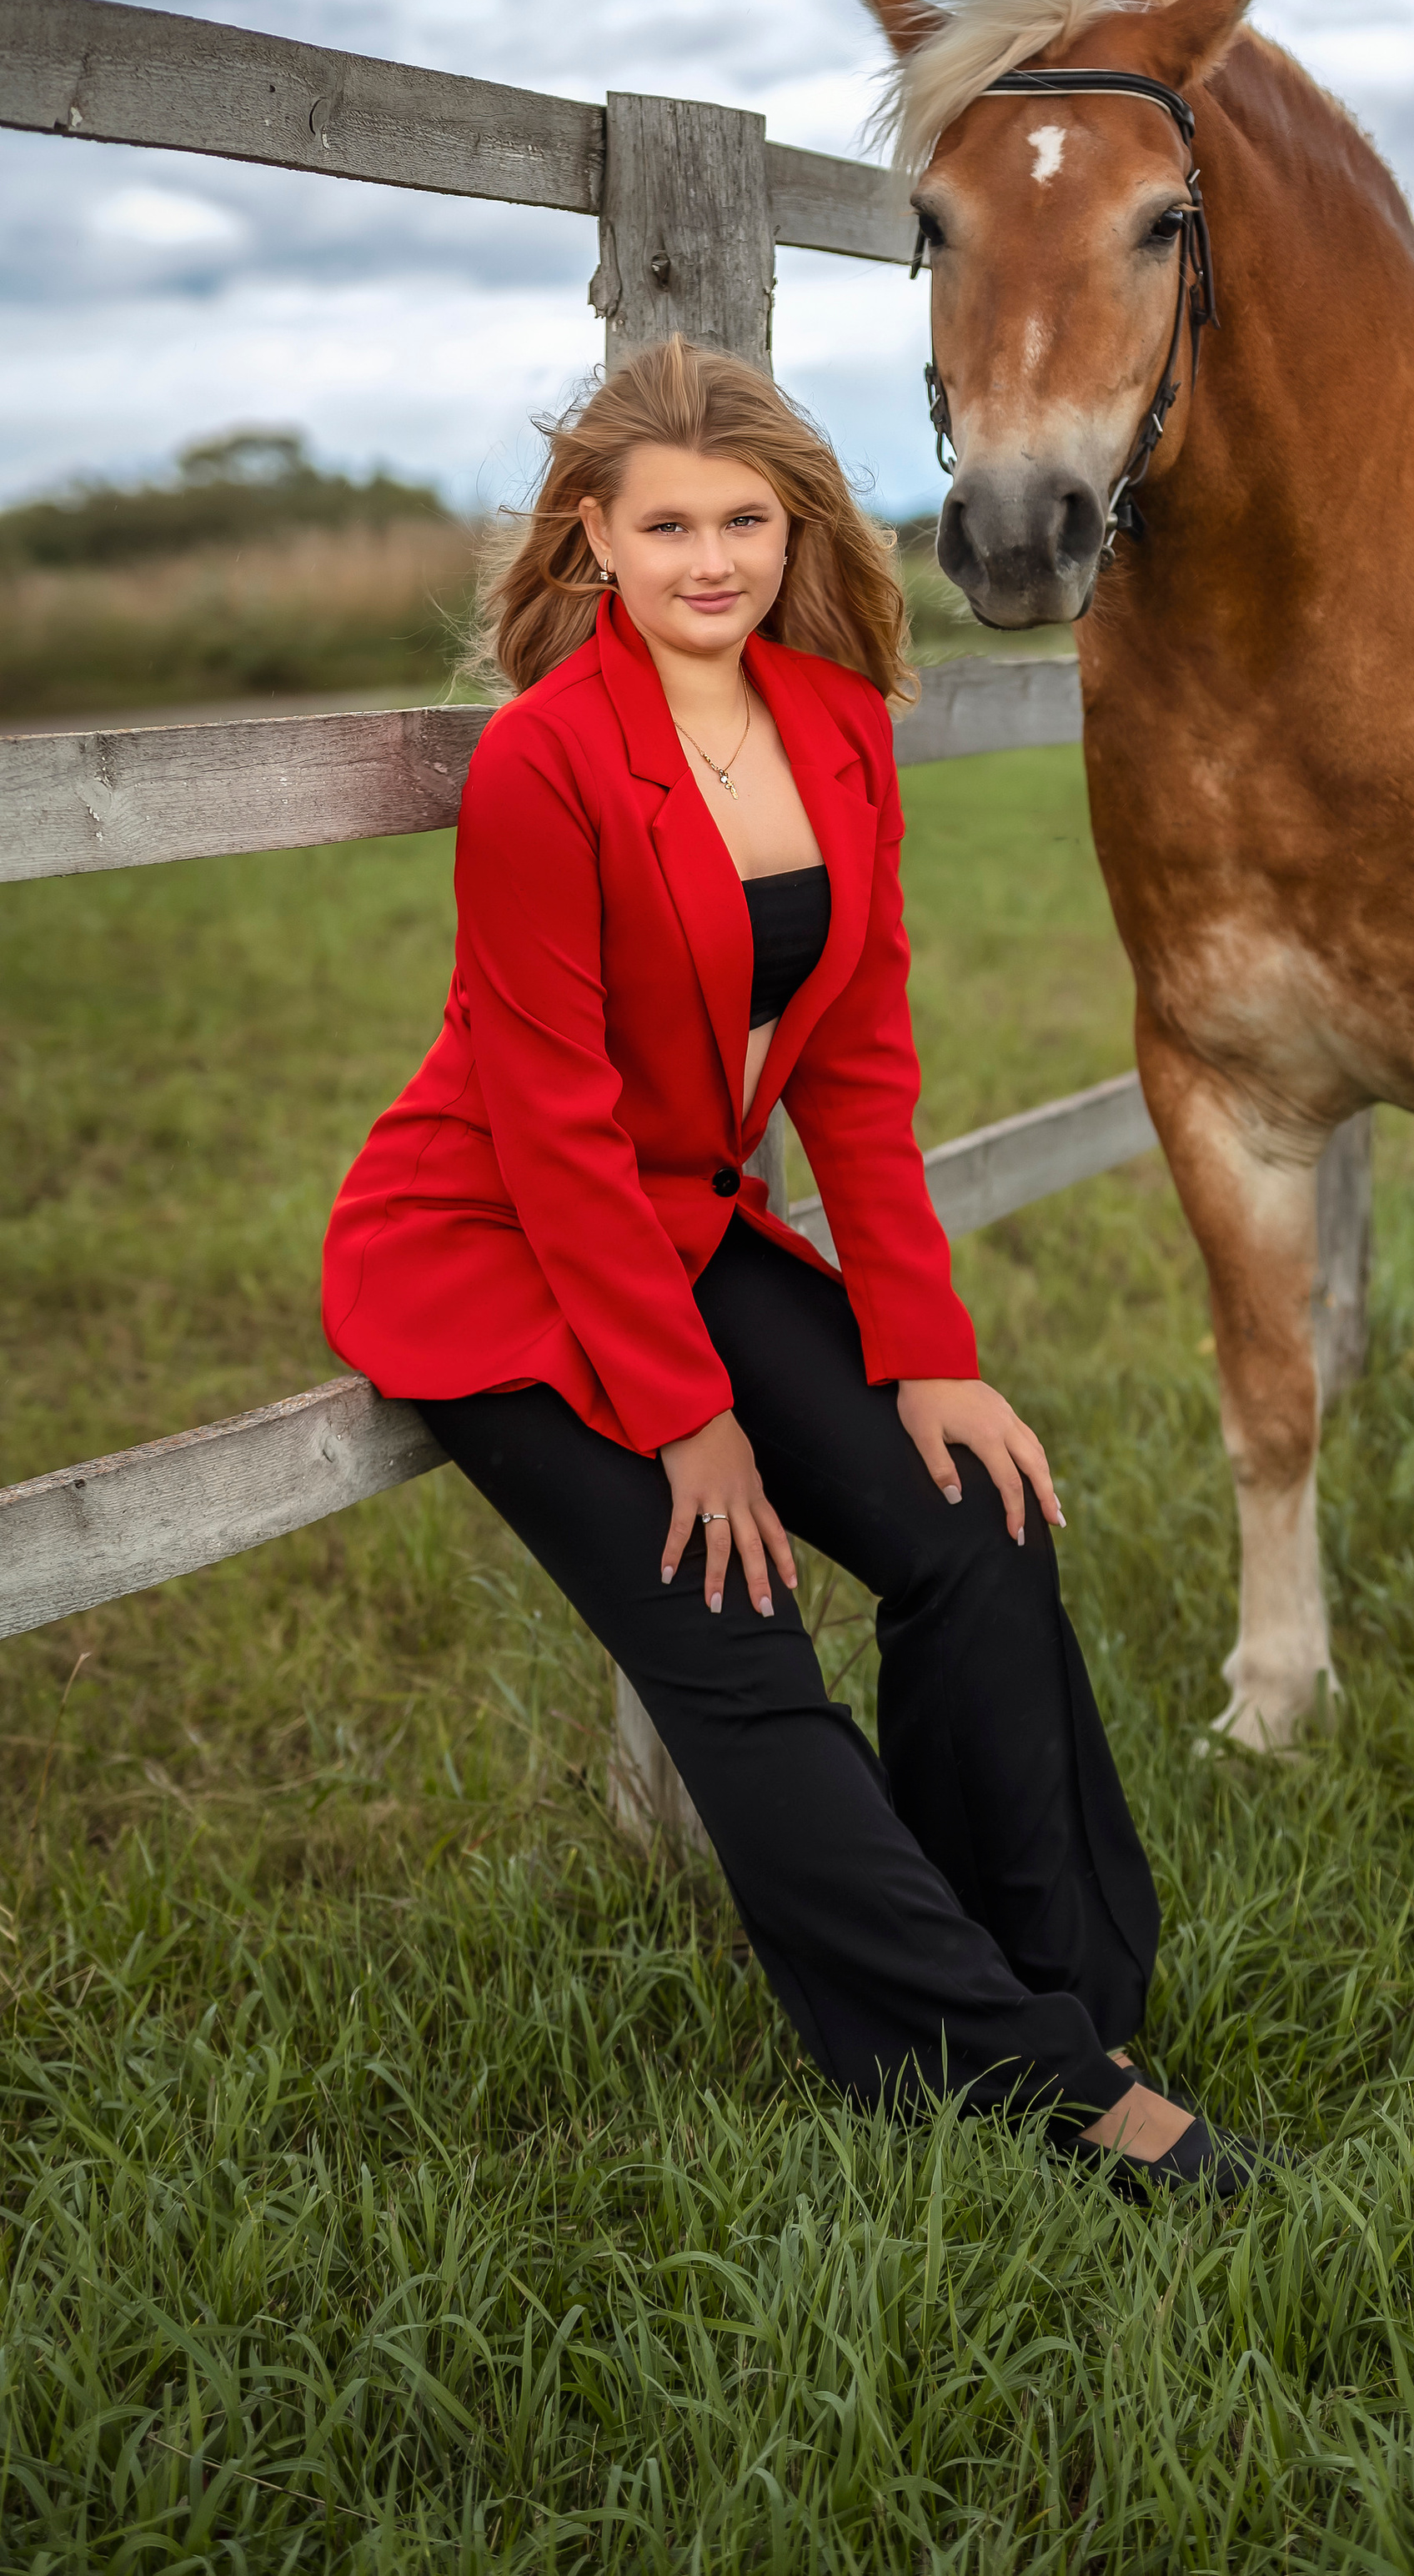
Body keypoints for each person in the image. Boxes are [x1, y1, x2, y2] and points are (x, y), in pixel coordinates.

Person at [323, 336, 1259, 2192]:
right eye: (666, 521)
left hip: (676, 1222)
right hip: (488, 1254)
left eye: (745, 517)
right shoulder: (547, 763)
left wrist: (924, 1348)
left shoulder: (831, 725)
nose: (709, 556)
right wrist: (684, 1416)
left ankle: (1057, 1985)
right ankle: (1019, 2082)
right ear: (592, 537)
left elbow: (857, 1060)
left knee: (974, 1524)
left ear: (793, 525)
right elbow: (550, 1123)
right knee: (738, 1641)